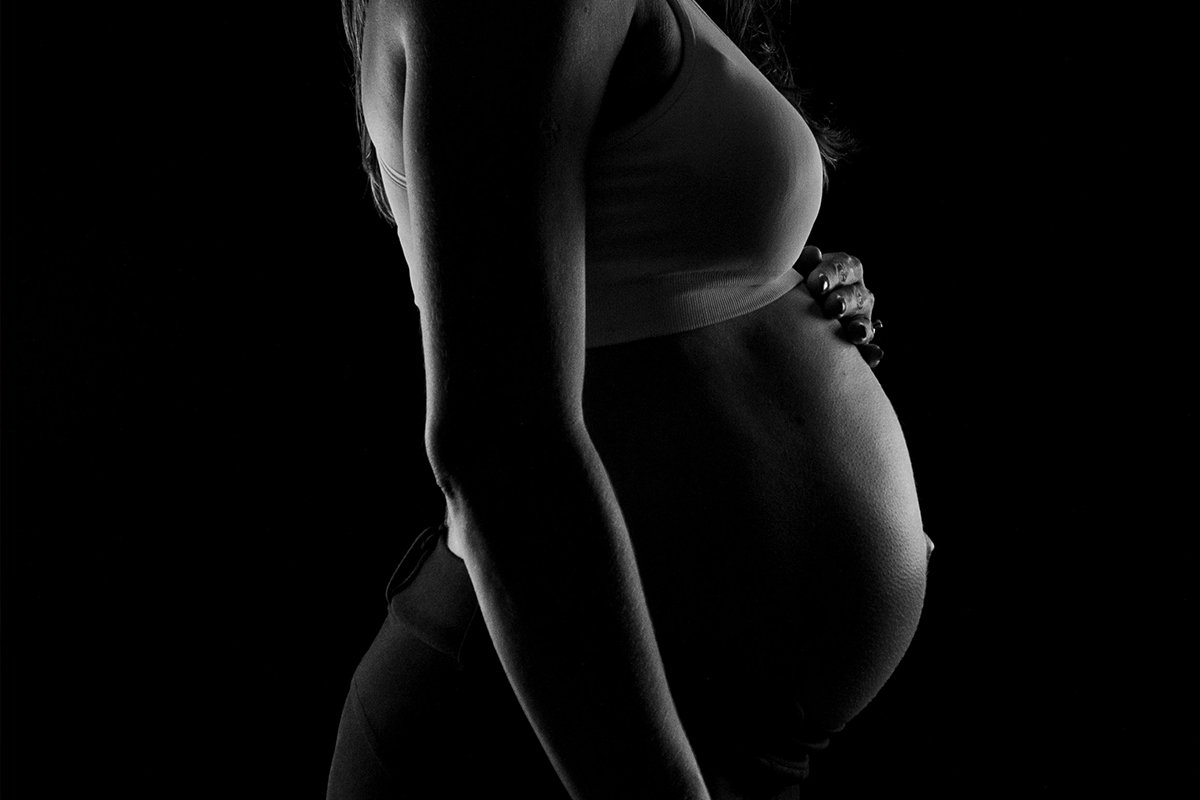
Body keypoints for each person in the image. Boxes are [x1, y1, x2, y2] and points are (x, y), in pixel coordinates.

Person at [327, 1, 932, 799]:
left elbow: (630, 256)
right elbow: (495, 448)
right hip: (540, 737)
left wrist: (775, 282)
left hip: (696, 725)